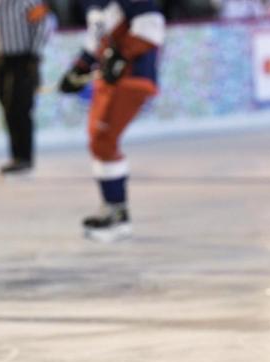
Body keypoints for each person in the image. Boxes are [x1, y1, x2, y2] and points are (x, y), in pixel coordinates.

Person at [57, 0, 165, 241]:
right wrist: (79, 68)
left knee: (103, 140)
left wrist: (121, 56)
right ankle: (113, 209)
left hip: (133, 78)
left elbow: (151, 27)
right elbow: (97, 37)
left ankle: (117, 213)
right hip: (111, 80)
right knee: (98, 141)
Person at [0, 0, 52, 175]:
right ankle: (16, 156)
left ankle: (24, 157)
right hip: (0, 59)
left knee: (19, 107)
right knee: (7, 107)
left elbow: (42, 25)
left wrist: (34, 55)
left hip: (22, 58)